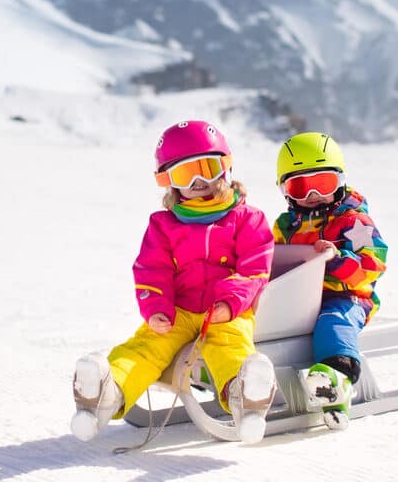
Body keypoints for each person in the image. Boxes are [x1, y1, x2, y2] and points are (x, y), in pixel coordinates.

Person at [70, 121, 277, 444]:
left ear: (224, 168)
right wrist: (156, 309)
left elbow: (254, 269)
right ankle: (108, 392)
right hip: (178, 310)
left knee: (230, 346)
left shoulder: (248, 219)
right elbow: (152, 269)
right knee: (147, 346)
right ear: (169, 181)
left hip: (224, 312)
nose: (198, 182)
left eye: (206, 169)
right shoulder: (163, 225)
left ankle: (244, 396)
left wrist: (229, 304)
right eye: (185, 174)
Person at [272, 132, 388, 428]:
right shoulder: (285, 227)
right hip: (298, 300)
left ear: (340, 181)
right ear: (286, 191)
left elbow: (373, 264)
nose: (313, 195)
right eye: (300, 187)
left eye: (323, 183)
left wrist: (338, 259)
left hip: (348, 298)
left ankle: (337, 377)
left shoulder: (353, 222)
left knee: (332, 321)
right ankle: (243, 378)